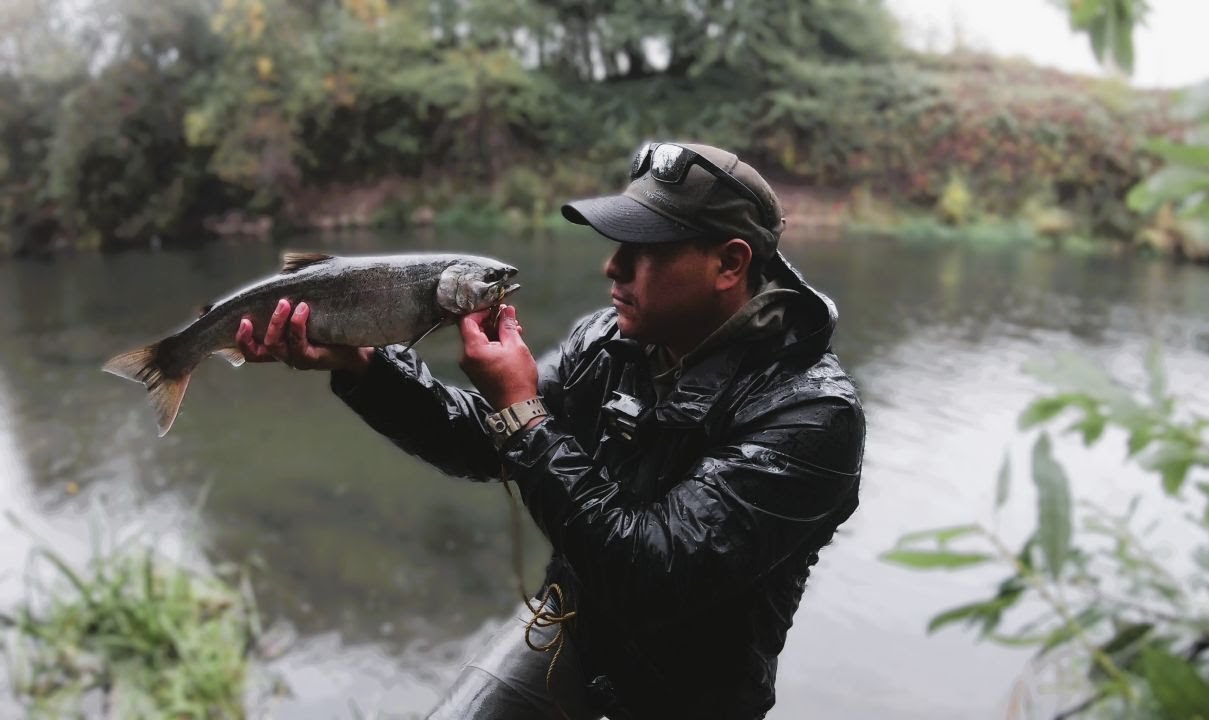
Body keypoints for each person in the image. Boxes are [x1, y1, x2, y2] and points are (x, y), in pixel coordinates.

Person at [235, 141, 865, 719]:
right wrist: (367, 367)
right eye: (617, 243)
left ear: (729, 264)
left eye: (644, 251)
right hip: (569, 632)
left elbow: (652, 572)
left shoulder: (811, 414)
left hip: (691, 699)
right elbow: (481, 442)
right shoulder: (608, 339)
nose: (612, 268)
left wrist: (522, 409)